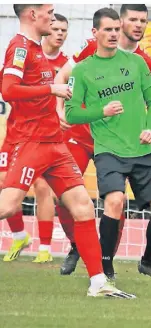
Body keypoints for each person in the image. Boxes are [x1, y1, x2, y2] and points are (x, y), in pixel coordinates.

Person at [54, 4, 151, 275]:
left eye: (143, 21)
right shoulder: (90, 48)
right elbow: (63, 75)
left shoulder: (144, 62)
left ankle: (106, 264)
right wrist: (59, 109)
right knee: (64, 198)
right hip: (82, 136)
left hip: (121, 144)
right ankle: (76, 246)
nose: (138, 25)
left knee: (117, 203)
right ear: (119, 22)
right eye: (132, 20)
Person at [0, 4, 134, 298]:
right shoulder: (20, 47)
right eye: (48, 11)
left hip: (55, 144)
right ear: (33, 15)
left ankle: (98, 282)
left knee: (84, 208)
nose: (53, 16)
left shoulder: (38, 49)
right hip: (32, 142)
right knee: (8, 206)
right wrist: (50, 91)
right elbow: (8, 90)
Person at [65, 7, 151, 287]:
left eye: (116, 29)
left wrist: (150, 128)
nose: (114, 34)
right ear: (95, 33)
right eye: (108, 29)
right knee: (115, 201)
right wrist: (102, 110)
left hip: (142, 149)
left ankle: (148, 262)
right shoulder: (83, 70)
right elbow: (73, 114)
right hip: (109, 150)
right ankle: (105, 266)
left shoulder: (137, 63)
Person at [0, 13, 69, 263]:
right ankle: (19, 235)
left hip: (43, 137)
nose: (59, 31)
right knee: (4, 185)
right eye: (54, 23)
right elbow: (7, 87)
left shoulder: (65, 64)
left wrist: (61, 110)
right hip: (17, 132)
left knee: (43, 186)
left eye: (64, 29)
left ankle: (46, 247)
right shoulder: (23, 50)